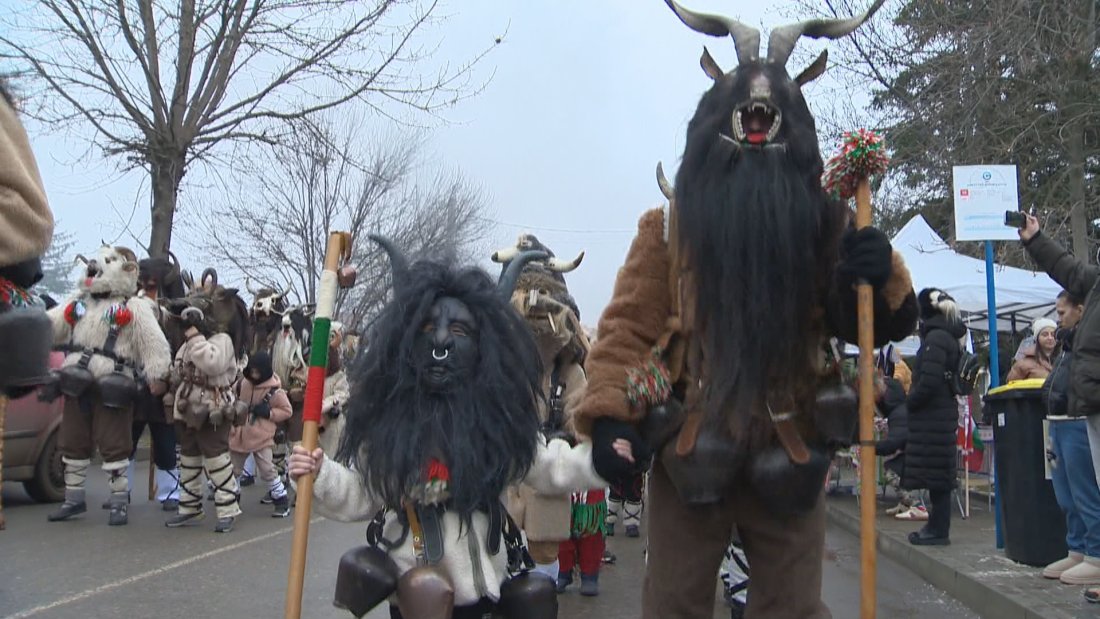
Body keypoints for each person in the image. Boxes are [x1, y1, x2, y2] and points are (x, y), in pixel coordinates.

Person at [575, 3, 915, 616]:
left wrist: (873, 267)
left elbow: (877, 317)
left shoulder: (827, 225)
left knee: (792, 608)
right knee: (674, 604)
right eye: (746, 112)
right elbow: (627, 329)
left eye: (773, 113)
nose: (760, 122)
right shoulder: (670, 228)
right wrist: (610, 421)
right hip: (690, 451)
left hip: (792, 451)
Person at [288, 239, 626, 619]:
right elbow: (363, 492)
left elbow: (550, 466)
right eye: (429, 326)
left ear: (483, 348)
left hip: (483, 593)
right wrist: (318, 474)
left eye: (460, 330)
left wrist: (603, 460)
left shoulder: (498, 424)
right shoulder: (391, 426)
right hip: (414, 593)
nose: (442, 339)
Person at [44, 245, 173, 527]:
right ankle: (73, 498)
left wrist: (157, 376)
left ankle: (118, 500)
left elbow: (155, 345)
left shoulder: (134, 307)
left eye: (109, 260)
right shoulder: (80, 301)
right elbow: (52, 324)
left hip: (112, 381)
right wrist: (29, 326)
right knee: (72, 440)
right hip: (77, 380)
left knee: (115, 444)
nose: (96, 264)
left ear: (127, 271)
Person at [495, 234, 590, 584]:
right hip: (494, 499)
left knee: (538, 591)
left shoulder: (569, 372)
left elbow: (582, 415)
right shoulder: (488, 363)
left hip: (544, 502)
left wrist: (584, 435)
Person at [163, 269, 249, 533]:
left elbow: (211, 363)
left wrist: (195, 337)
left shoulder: (222, 340)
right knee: (188, 458)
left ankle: (228, 508)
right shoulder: (193, 340)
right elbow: (179, 362)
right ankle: (190, 507)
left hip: (213, 408)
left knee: (216, 459)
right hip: (188, 406)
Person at [1038, 291, 1100, 587]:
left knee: (1084, 490)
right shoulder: (1066, 345)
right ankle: (1077, 547)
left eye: (1062, 313)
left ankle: (1096, 552)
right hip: (1059, 421)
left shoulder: (1085, 340)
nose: (1058, 320)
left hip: (1077, 420)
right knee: (1066, 493)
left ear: (1080, 310)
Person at [901, 288, 966, 546]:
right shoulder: (949, 336)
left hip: (932, 416)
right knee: (940, 473)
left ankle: (938, 529)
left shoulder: (936, 338)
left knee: (937, 475)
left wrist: (911, 402)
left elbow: (928, 381)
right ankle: (937, 526)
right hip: (941, 414)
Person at [229, 352, 292, 518]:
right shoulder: (243, 383)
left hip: (262, 435)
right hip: (240, 432)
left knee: (267, 469)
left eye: (257, 372)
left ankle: (280, 499)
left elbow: (287, 410)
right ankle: (231, 499)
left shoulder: (275, 391)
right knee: (234, 469)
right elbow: (231, 394)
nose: (254, 375)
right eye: (252, 371)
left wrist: (269, 413)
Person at [556, 488, 607, 596]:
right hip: (563, 487)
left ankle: (589, 575)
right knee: (561, 531)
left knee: (591, 534)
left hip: (591, 490)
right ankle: (562, 571)